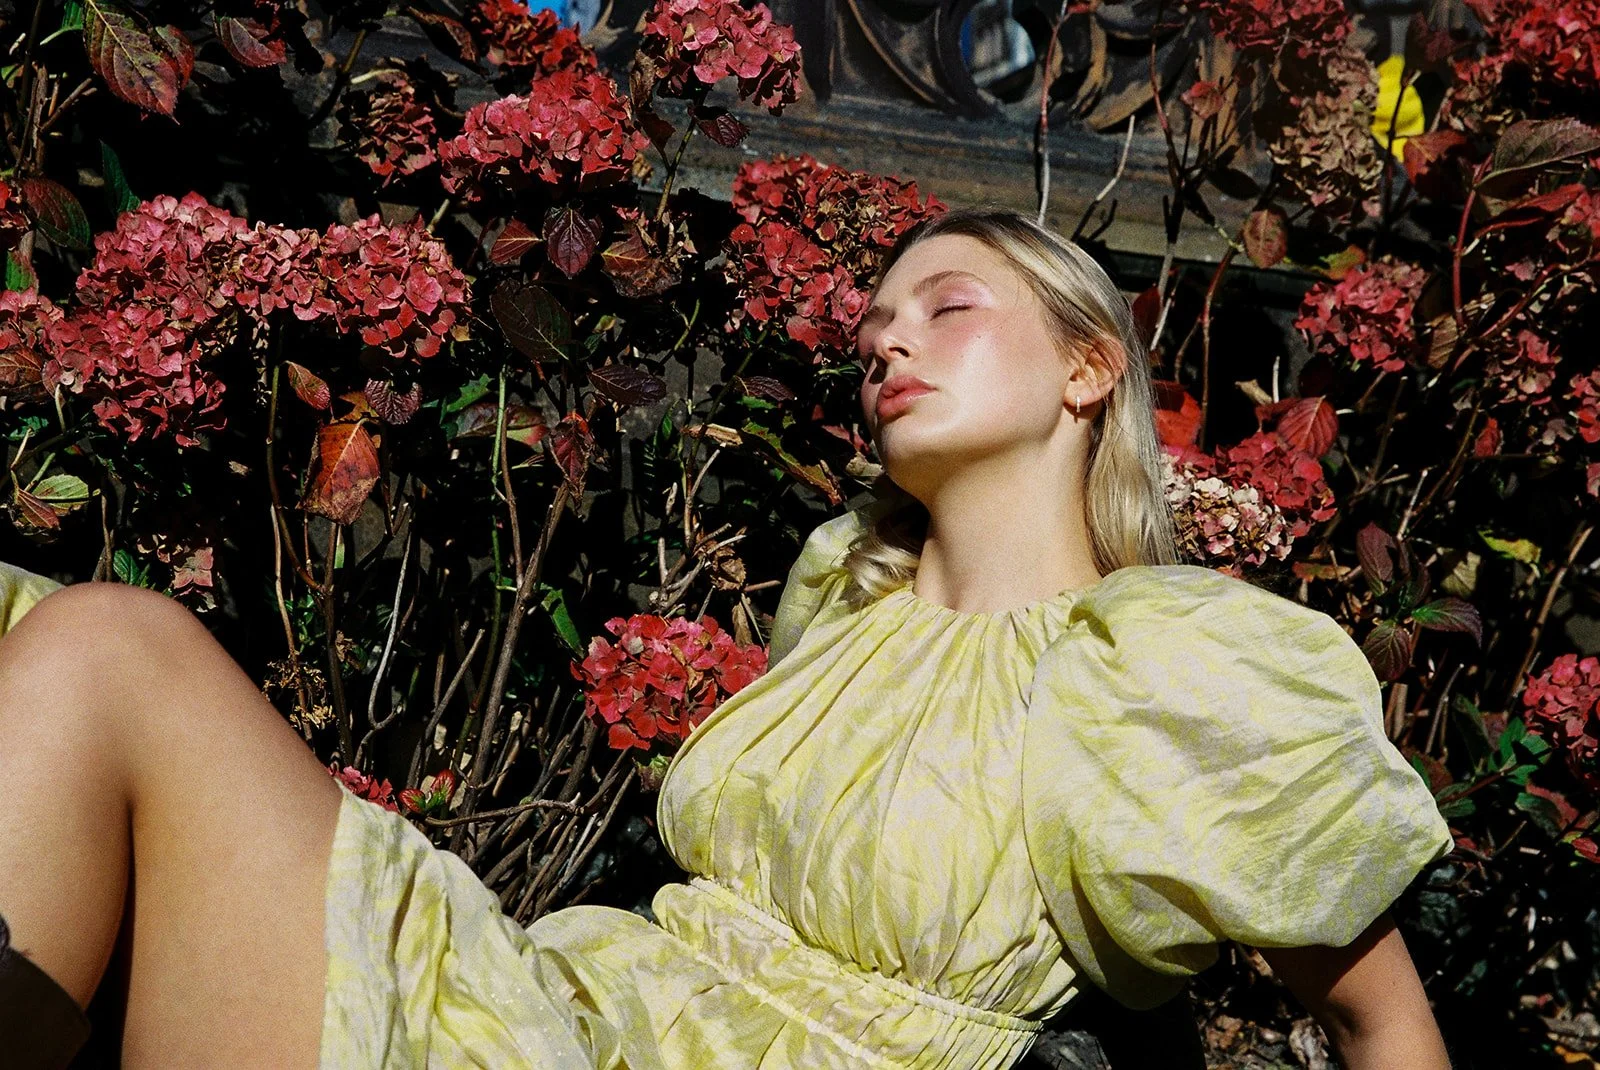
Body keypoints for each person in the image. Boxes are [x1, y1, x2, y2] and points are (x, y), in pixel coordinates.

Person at [0, 206, 1456, 1069]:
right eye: (875, 322)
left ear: (1088, 365)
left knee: (118, 650)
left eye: (947, 308)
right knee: (47, 633)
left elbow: (1388, 1025)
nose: (886, 339)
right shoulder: (845, 597)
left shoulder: (1174, 661)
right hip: (582, 1004)